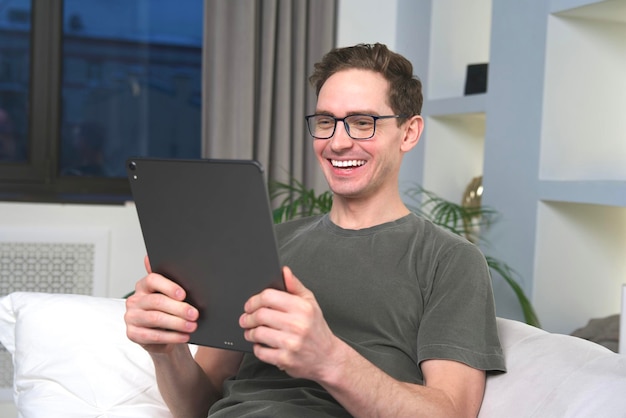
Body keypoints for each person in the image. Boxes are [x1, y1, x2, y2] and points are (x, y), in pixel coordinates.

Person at [124, 43, 506, 417]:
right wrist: (167, 352)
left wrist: (328, 358)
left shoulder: (449, 260)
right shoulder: (266, 241)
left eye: (362, 123)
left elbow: (450, 412)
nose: (338, 142)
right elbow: (198, 406)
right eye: (326, 122)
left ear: (409, 133)